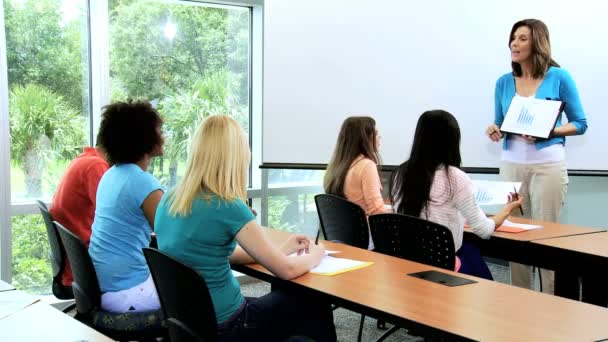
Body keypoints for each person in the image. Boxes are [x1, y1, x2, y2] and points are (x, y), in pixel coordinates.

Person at [155, 115, 336, 342]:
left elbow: (219, 255)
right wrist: (316, 255)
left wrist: (281, 249)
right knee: (313, 299)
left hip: (192, 322)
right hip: (231, 326)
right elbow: (287, 271)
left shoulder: (170, 199)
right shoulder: (227, 205)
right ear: (235, 155)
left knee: (289, 301)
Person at [487, 19, 588, 293]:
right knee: (513, 234)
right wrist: (494, 129)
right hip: (511, 167)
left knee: (545, 237)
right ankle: (519, 300)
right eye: (513, 38)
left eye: (521, 39)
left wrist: (550, 131)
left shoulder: (559, 77)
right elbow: (499, 122)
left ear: (537, 43)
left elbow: (580, 123)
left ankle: (548, 302)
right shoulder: (503, 82)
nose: (514, 44)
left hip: (548, 167)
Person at [392, 110, 522, 279]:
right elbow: (484, 230)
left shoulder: (400, 173)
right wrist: (507, 210)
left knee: (470, 250)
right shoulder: (454, 177)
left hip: (406, 262)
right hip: (443, 265)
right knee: (474, 257)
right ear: (451, 141)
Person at [88, 100, 165, 313]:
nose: (163, 135)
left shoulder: (110, 175)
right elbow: (173, 236)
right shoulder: (143, 182)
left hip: (103, 289)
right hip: (128, 293)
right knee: (201, 295)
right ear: (144, 137)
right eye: (159, 129)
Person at [324, 116, 391, 250]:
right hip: (367, 238)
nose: (379, 138)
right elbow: (376, 211)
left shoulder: (338, 167)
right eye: (376, 134)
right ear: (365, 138)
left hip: (347, 235)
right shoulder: (366, 165)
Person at [50, 144, 109, 287]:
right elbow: (109, 215)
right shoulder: (95, 165)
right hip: (84, 266)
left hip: (76, 262)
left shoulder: (84, 159)